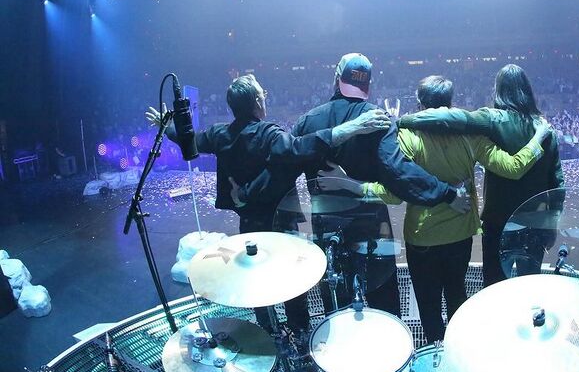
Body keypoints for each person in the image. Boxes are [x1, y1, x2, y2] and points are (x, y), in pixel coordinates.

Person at [145, 73, 391, 330]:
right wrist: (355, 126)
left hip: (249, 226)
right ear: (256, 102)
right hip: (280, 225)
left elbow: (192, 140)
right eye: (263, 94)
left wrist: (168, 127)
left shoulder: (220, 134)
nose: (265, 98)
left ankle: (266, 333)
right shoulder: (270, 135)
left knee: (255, 282)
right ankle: (299, 331)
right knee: (290, 284)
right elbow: (303, 146)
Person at [234, 54, 470, 322]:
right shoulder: (377, 120)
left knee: (337, 312)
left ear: (336, 80)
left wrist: (244, 194)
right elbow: (400, 172)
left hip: (328, 230)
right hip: (373, 231)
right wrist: (447, 194)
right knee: (385, 312)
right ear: (368, 85)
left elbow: (281, 171)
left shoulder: (309, 121)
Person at [330, 75, 552, 342]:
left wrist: (357, 188)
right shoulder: (470, 136)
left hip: (422, 239)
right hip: (460, 235)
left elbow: (394, 194)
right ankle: (458, 350)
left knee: (429, 307)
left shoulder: (407, 137)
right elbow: (513, 167)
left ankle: (434, 351)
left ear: (420, 103)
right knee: (458, 298)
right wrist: (538, 138)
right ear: (451, 101)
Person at [399, 64, 564, 287]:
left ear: (498, 91)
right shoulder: (544, 129)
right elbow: (557, 185)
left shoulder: (491, 119)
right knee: (530, 288)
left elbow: (447, 118)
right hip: (535, 224)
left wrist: (404, 121)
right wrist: (551, 225)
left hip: (498, 223)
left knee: (494, 288)